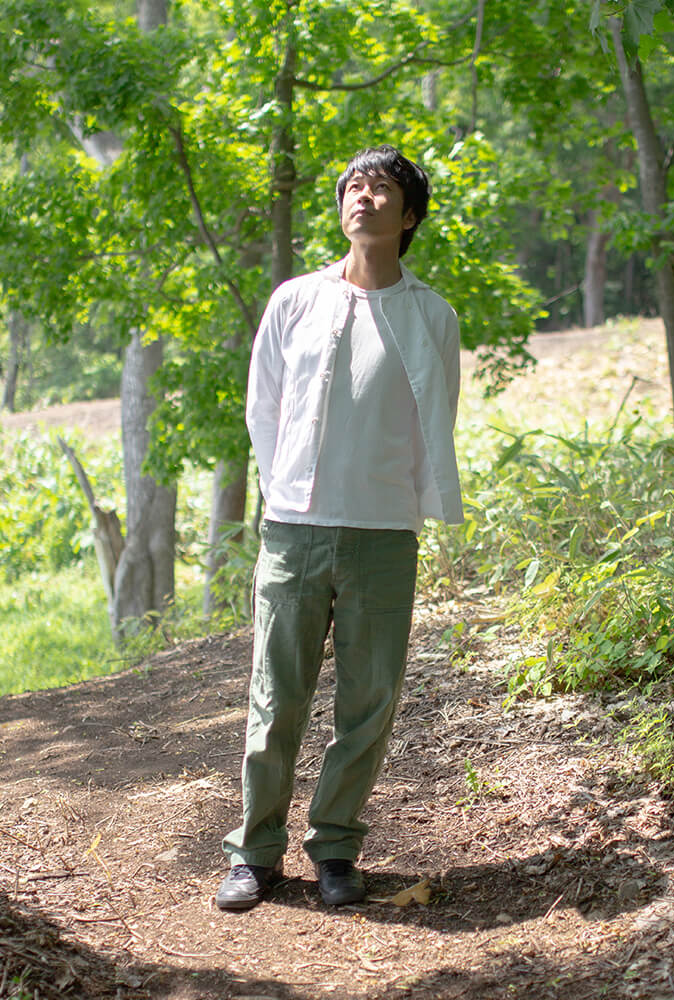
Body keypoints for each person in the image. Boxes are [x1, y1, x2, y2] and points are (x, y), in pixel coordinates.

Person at [216, 144, 463, 911]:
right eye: (354, 185)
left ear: (408, 215)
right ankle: (255, 853)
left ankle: (334, 847)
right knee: (275, 696)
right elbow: (263, 408)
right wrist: (287, 492)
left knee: (368, 704)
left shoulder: (432, 315)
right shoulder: (295, 301)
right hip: (295, 528)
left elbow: (436, 421)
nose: (363, 195)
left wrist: (403, 505)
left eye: (381, 187)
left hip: (384, 533)